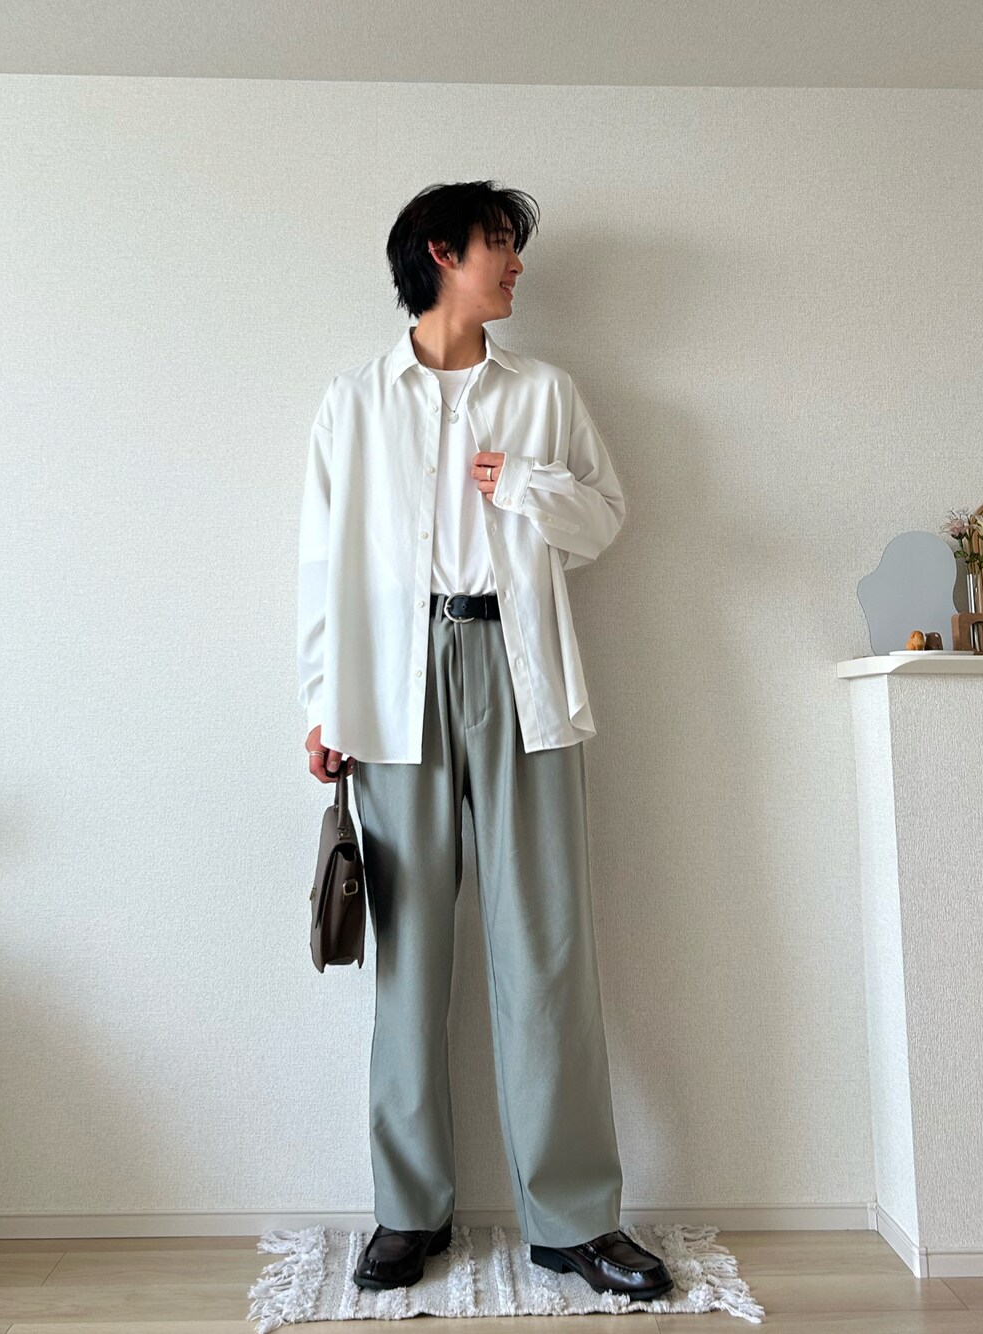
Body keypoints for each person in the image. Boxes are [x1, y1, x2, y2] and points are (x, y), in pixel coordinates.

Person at [297, 179, 673, 1301]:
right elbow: (321, 563)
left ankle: (574, 1219)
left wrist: (529, 485)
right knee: (411, 955)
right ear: (439, 254)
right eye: (499, 244)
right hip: (392, 685)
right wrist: (321, 702)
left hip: (522, 674)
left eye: (513, 245)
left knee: (546, 946)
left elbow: (605, 519)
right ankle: (409, 1208)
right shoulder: (353, 402)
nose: (515, 265)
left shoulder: (544, 393)